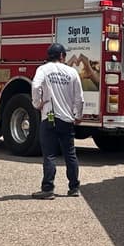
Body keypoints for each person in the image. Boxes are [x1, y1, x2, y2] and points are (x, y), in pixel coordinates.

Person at [30, 42, 85, 199]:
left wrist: (37, 103)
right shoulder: (72, 72)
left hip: (49, 117)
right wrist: (78, 116)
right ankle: (74, 188)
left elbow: (35, 85)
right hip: (66, 119)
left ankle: (48, 189)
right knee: (70, 154)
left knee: (49, 154)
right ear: (62, 56)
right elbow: (79, 98)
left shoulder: (43, 69)